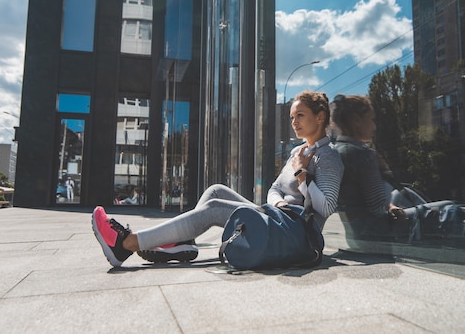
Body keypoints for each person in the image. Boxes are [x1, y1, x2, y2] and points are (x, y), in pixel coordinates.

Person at [92, 91, 344, 267]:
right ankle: (180, 242)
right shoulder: (297, 152)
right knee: (215, 191)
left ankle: (126, 243)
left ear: (320, 116)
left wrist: (301, 176)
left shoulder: (328, 157)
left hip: (295, 232)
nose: (294, 122)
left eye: (300, 115)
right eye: (291, 117)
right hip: (277, 216)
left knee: (213, 209)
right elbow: (274, 189)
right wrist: (278, 202)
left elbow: (326, 207)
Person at [331, 94, 405, 243]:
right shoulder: (364, 155)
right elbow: (378, 209)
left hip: (352, 237)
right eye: (371, 120)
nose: (374, 126)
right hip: (374, 235)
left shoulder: (333, 152)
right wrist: (384, 171)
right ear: (357, 121)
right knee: (450, 209)